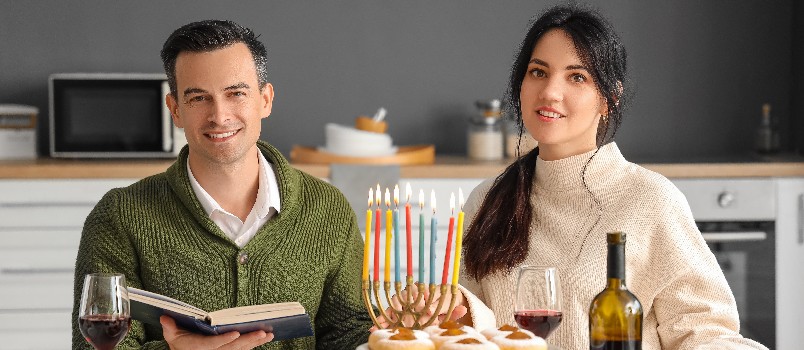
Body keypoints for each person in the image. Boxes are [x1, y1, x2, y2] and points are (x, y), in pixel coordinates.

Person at [455, 4, 769, 350]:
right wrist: (457, 311)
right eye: (538, 72)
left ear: (609, 99)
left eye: (577, 77)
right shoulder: (487, 199)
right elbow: (470, 332)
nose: (550, 92)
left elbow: (706, 334)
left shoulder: (651, 200)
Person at [71, 20, 372, 349]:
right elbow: (96, 345)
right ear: (175, 109)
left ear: (265, 100)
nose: (219, 115)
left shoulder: (328, 208)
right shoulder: (119, 216)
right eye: (199, 98)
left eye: (236, 94)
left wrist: (398, 331)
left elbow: (348, 331)